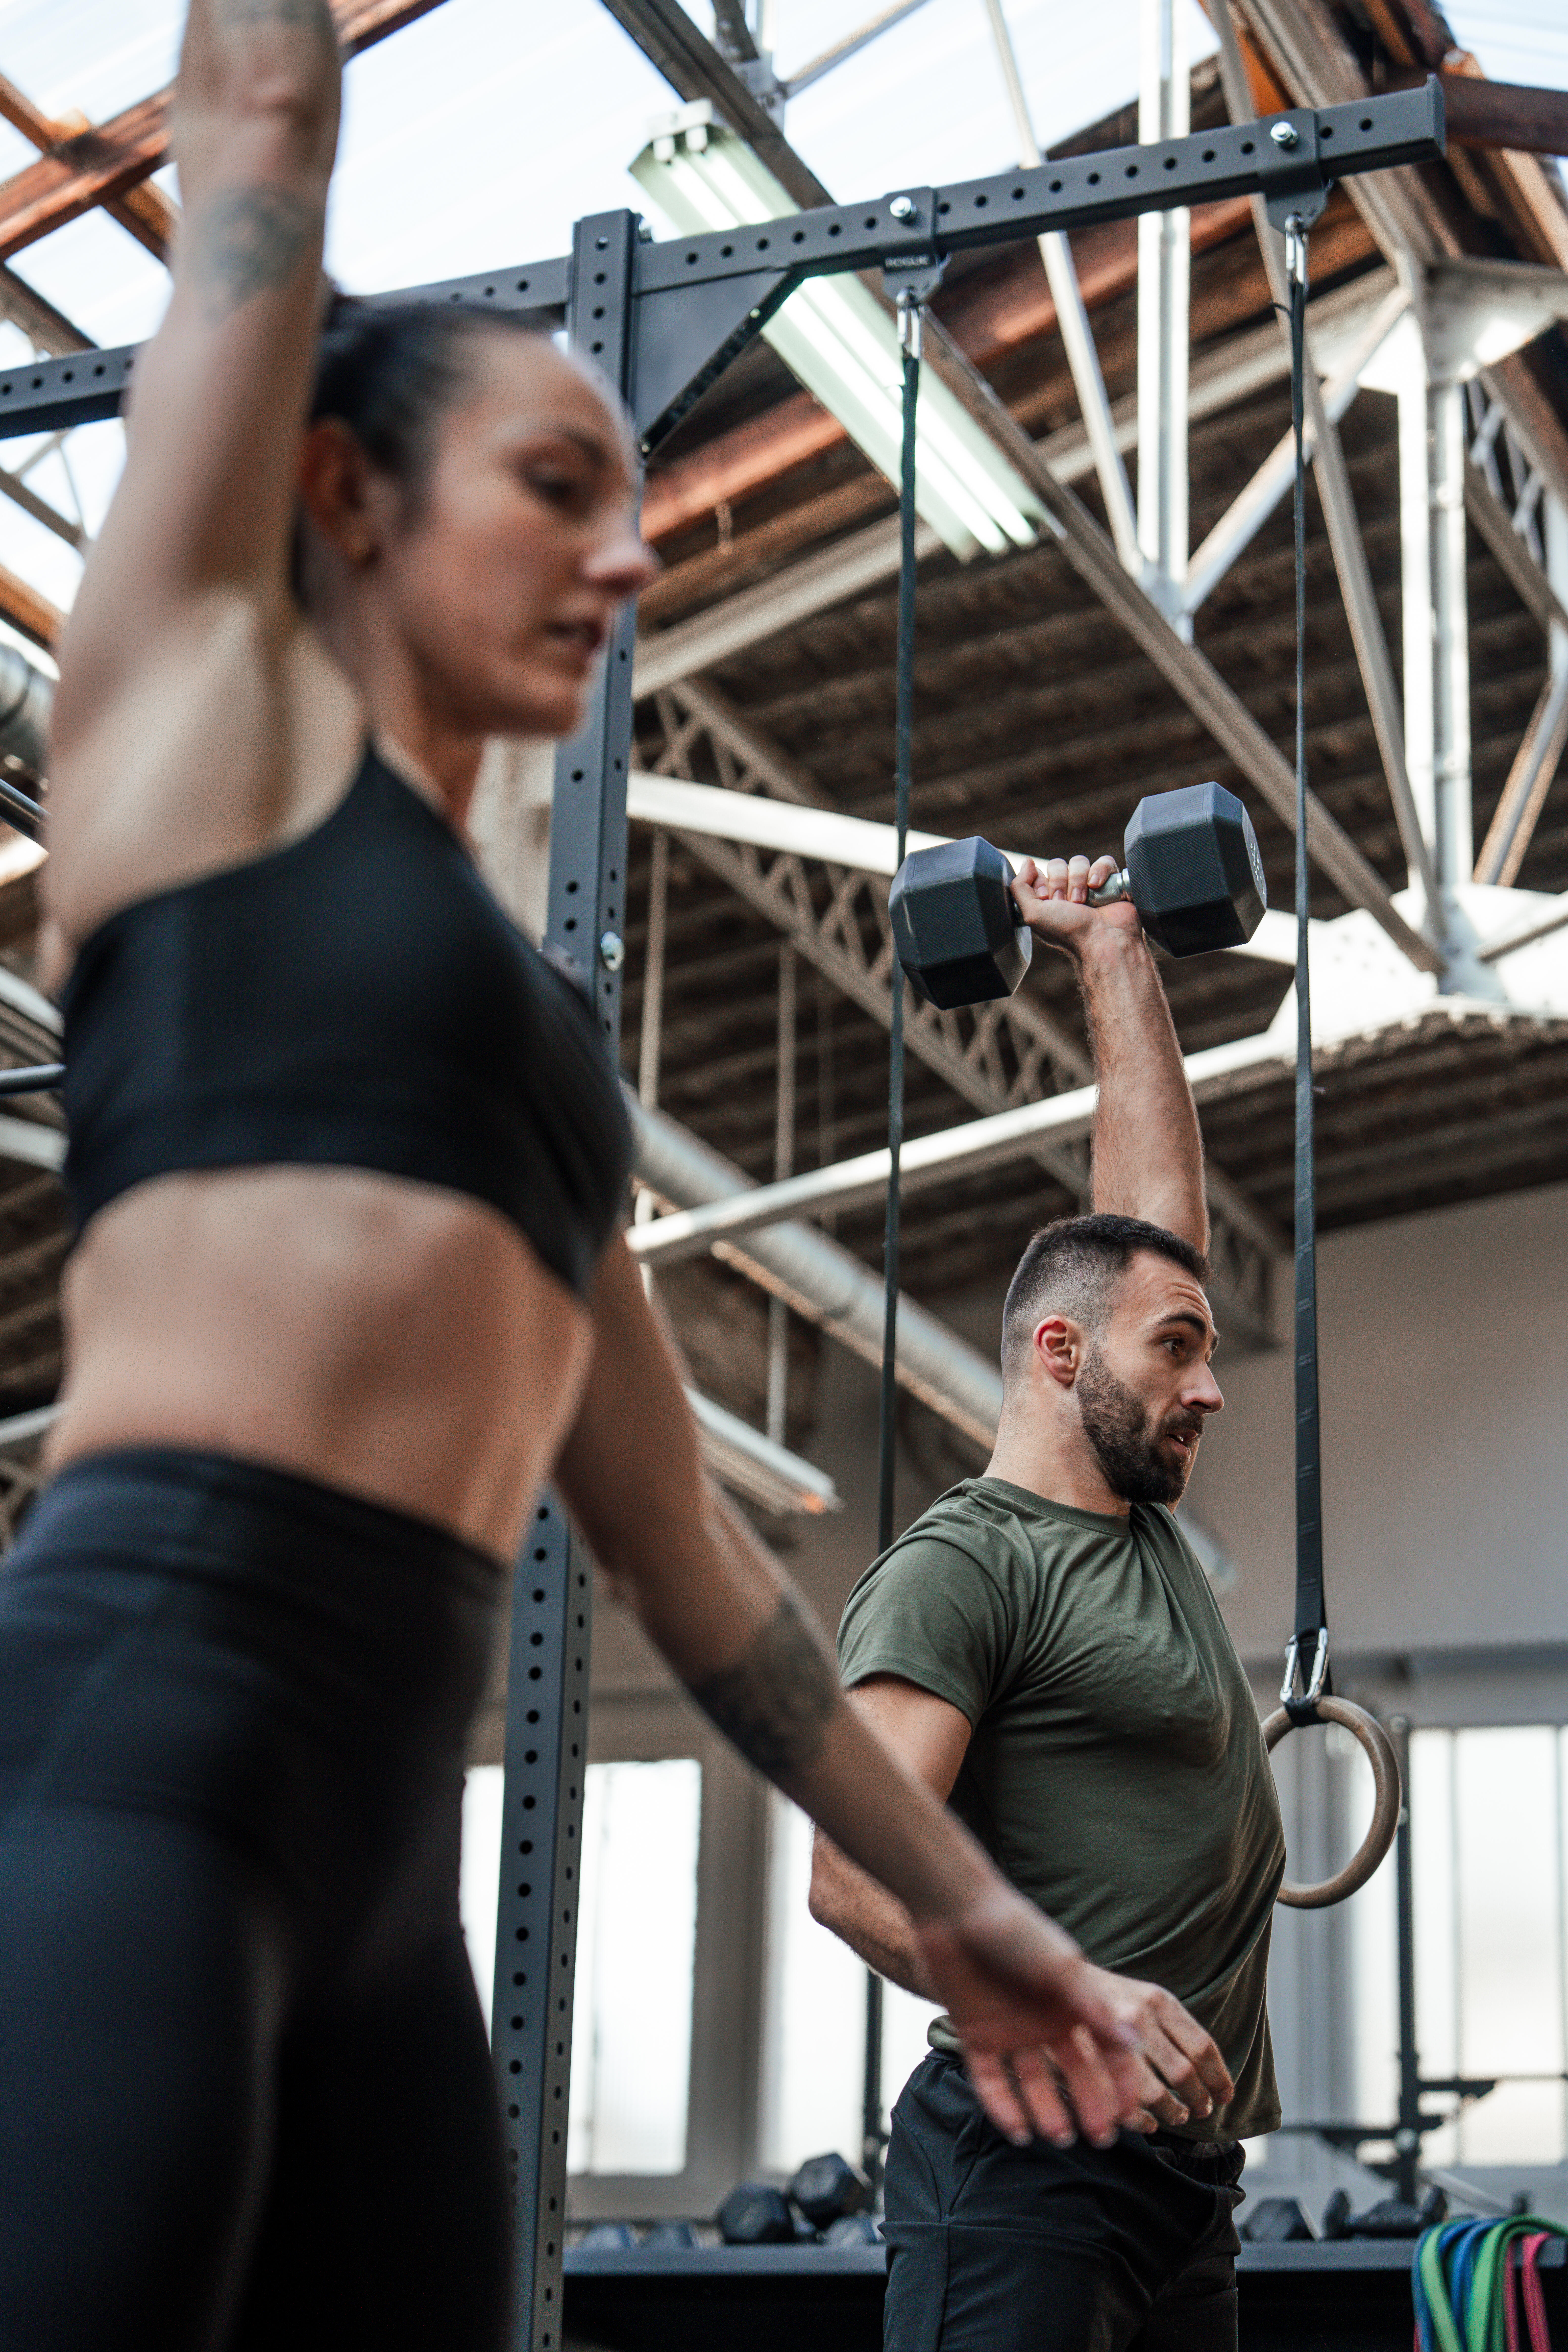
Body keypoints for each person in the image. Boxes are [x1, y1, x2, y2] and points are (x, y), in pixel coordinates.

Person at [0, 4, 1218, 2346]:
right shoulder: (188, 741)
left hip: (383, 1871)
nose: (627, 548)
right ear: (349, 499)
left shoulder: (540, 1051)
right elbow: (261, 98)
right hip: (148, 1736)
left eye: (630, 499)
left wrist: (978, 1924)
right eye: (556, 483)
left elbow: (703, 1582)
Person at [810, 853, 1288, 2352]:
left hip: (1183, 2192)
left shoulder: (1131, 1528)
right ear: (1065, 1361)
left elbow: (1148, 1225)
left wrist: (1111, 946)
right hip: (1026, 2175)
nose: (1210, 1384)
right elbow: (850, 1875)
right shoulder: (967, 1568)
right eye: (1179, 1352)